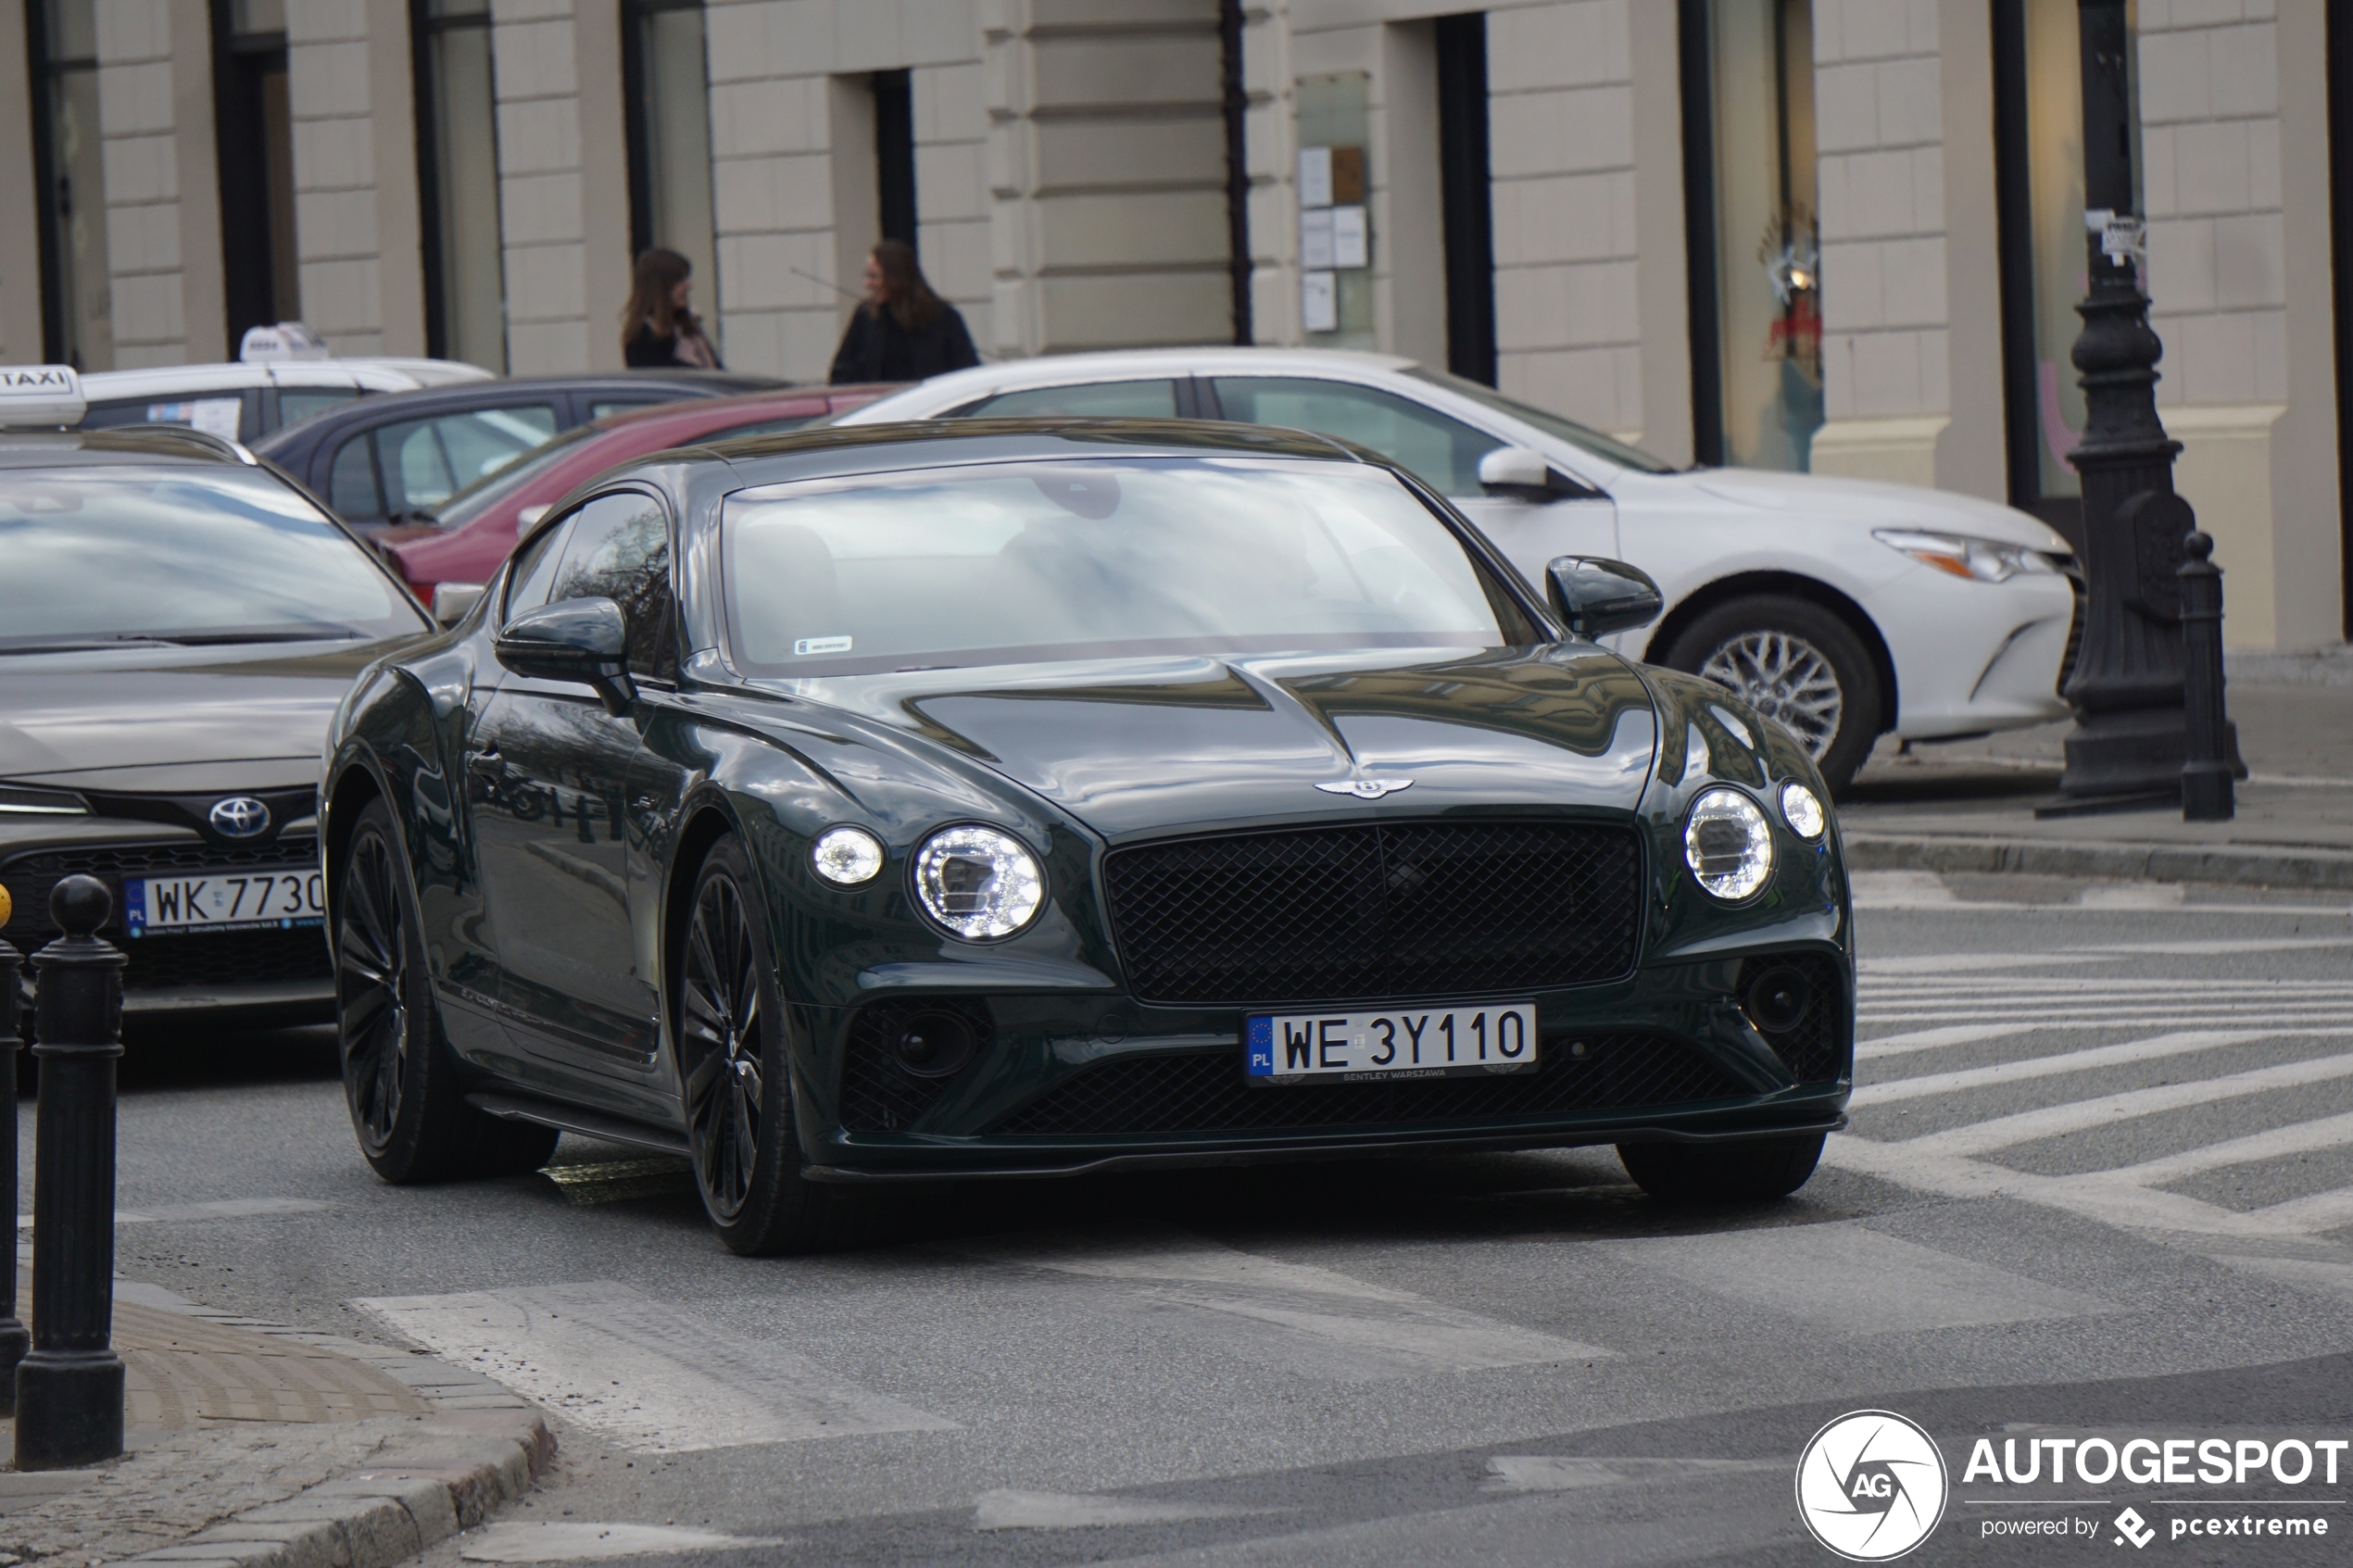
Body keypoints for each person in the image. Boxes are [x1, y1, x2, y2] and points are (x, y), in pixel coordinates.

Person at [827, 240, 979, 383]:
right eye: (867, 276)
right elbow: (841, 373)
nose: (867, 284)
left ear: (895, 277)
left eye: (873, 277)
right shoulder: (866, 316)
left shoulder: (943, 318)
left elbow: (967, 373)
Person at [622, 249, 721, 370]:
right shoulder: (642, 338)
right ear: (660, 287)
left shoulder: (687, 325)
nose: (689, 285)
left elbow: (718, 370)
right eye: (680, 279)